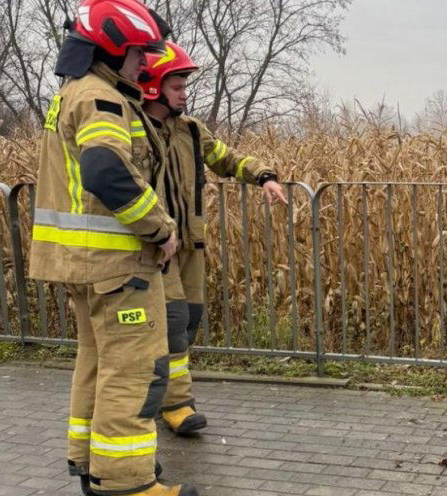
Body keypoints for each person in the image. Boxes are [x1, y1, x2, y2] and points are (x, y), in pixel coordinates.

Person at [28, 0, 197, 494]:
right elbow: (107, 171)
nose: (145, 63)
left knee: (96, 365)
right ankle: (125, 482)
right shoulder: (103, 99)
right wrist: (161, 229)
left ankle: (91, 463)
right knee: (134, 373)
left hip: (85, 266)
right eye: (139, 53)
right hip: (119, 268)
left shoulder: (71, 92)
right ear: (111, 49)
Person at [138, 41, 286, 434]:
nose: (184, 92)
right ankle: (177, 406)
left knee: (189, 322)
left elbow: (226, 157)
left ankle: (157, 396)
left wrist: (264, 176)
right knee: (171, 324)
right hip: (154, 246)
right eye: (177, 85)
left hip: (190, 244)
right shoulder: (133, 129)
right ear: (152, 86)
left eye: (185, 84)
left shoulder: (190, 130)